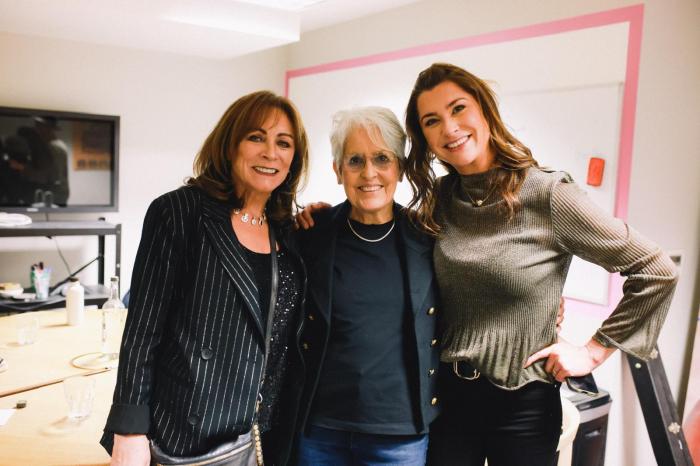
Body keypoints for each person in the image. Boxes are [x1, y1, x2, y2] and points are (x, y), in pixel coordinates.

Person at [403, 62, 679, 466]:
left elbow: (656, 270)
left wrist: (594, 351)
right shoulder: (440, 200)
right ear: (424, 137)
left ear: (483, 109)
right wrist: (323, 219)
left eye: (459, 108)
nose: (449, 127)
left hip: (524, 408)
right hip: (450, 399)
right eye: (432, 120)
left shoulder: (547, 194)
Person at [100, 90, 309, 466]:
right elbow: (142, 331)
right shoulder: (180, 212)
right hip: (189, 435)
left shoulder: (287, 230)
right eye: (256, 137)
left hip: (266, 433)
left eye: (284, 143)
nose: (270, 153)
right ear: (230, 144)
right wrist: (129, 430)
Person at [294, 107, 440, 465]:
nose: (369, 173)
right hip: (320, 429)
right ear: (338, 170)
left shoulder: (430, 238)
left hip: (399, 436)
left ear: (400, 169)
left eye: (382, 159)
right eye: (355, 160)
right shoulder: (312, 233)